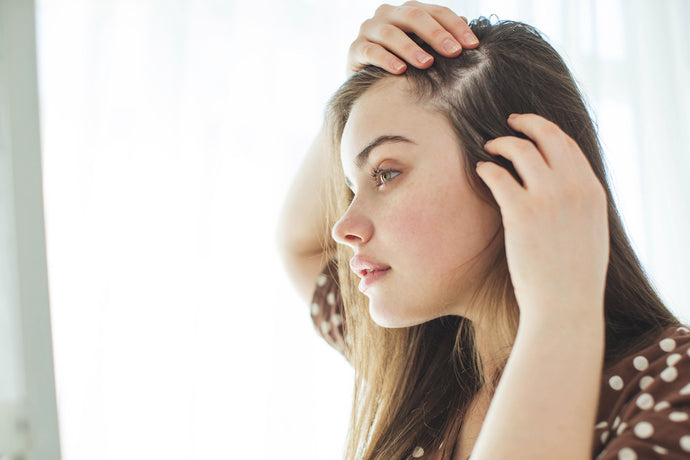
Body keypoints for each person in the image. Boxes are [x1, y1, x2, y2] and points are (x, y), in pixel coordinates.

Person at [277, 2, 690, 459]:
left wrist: (561, 311)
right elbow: (304, 245)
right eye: (352, 187)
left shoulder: (674, 382)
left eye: (386, 173)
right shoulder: (430, 370)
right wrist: (363, 86)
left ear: (518, 169)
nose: (343, 228)